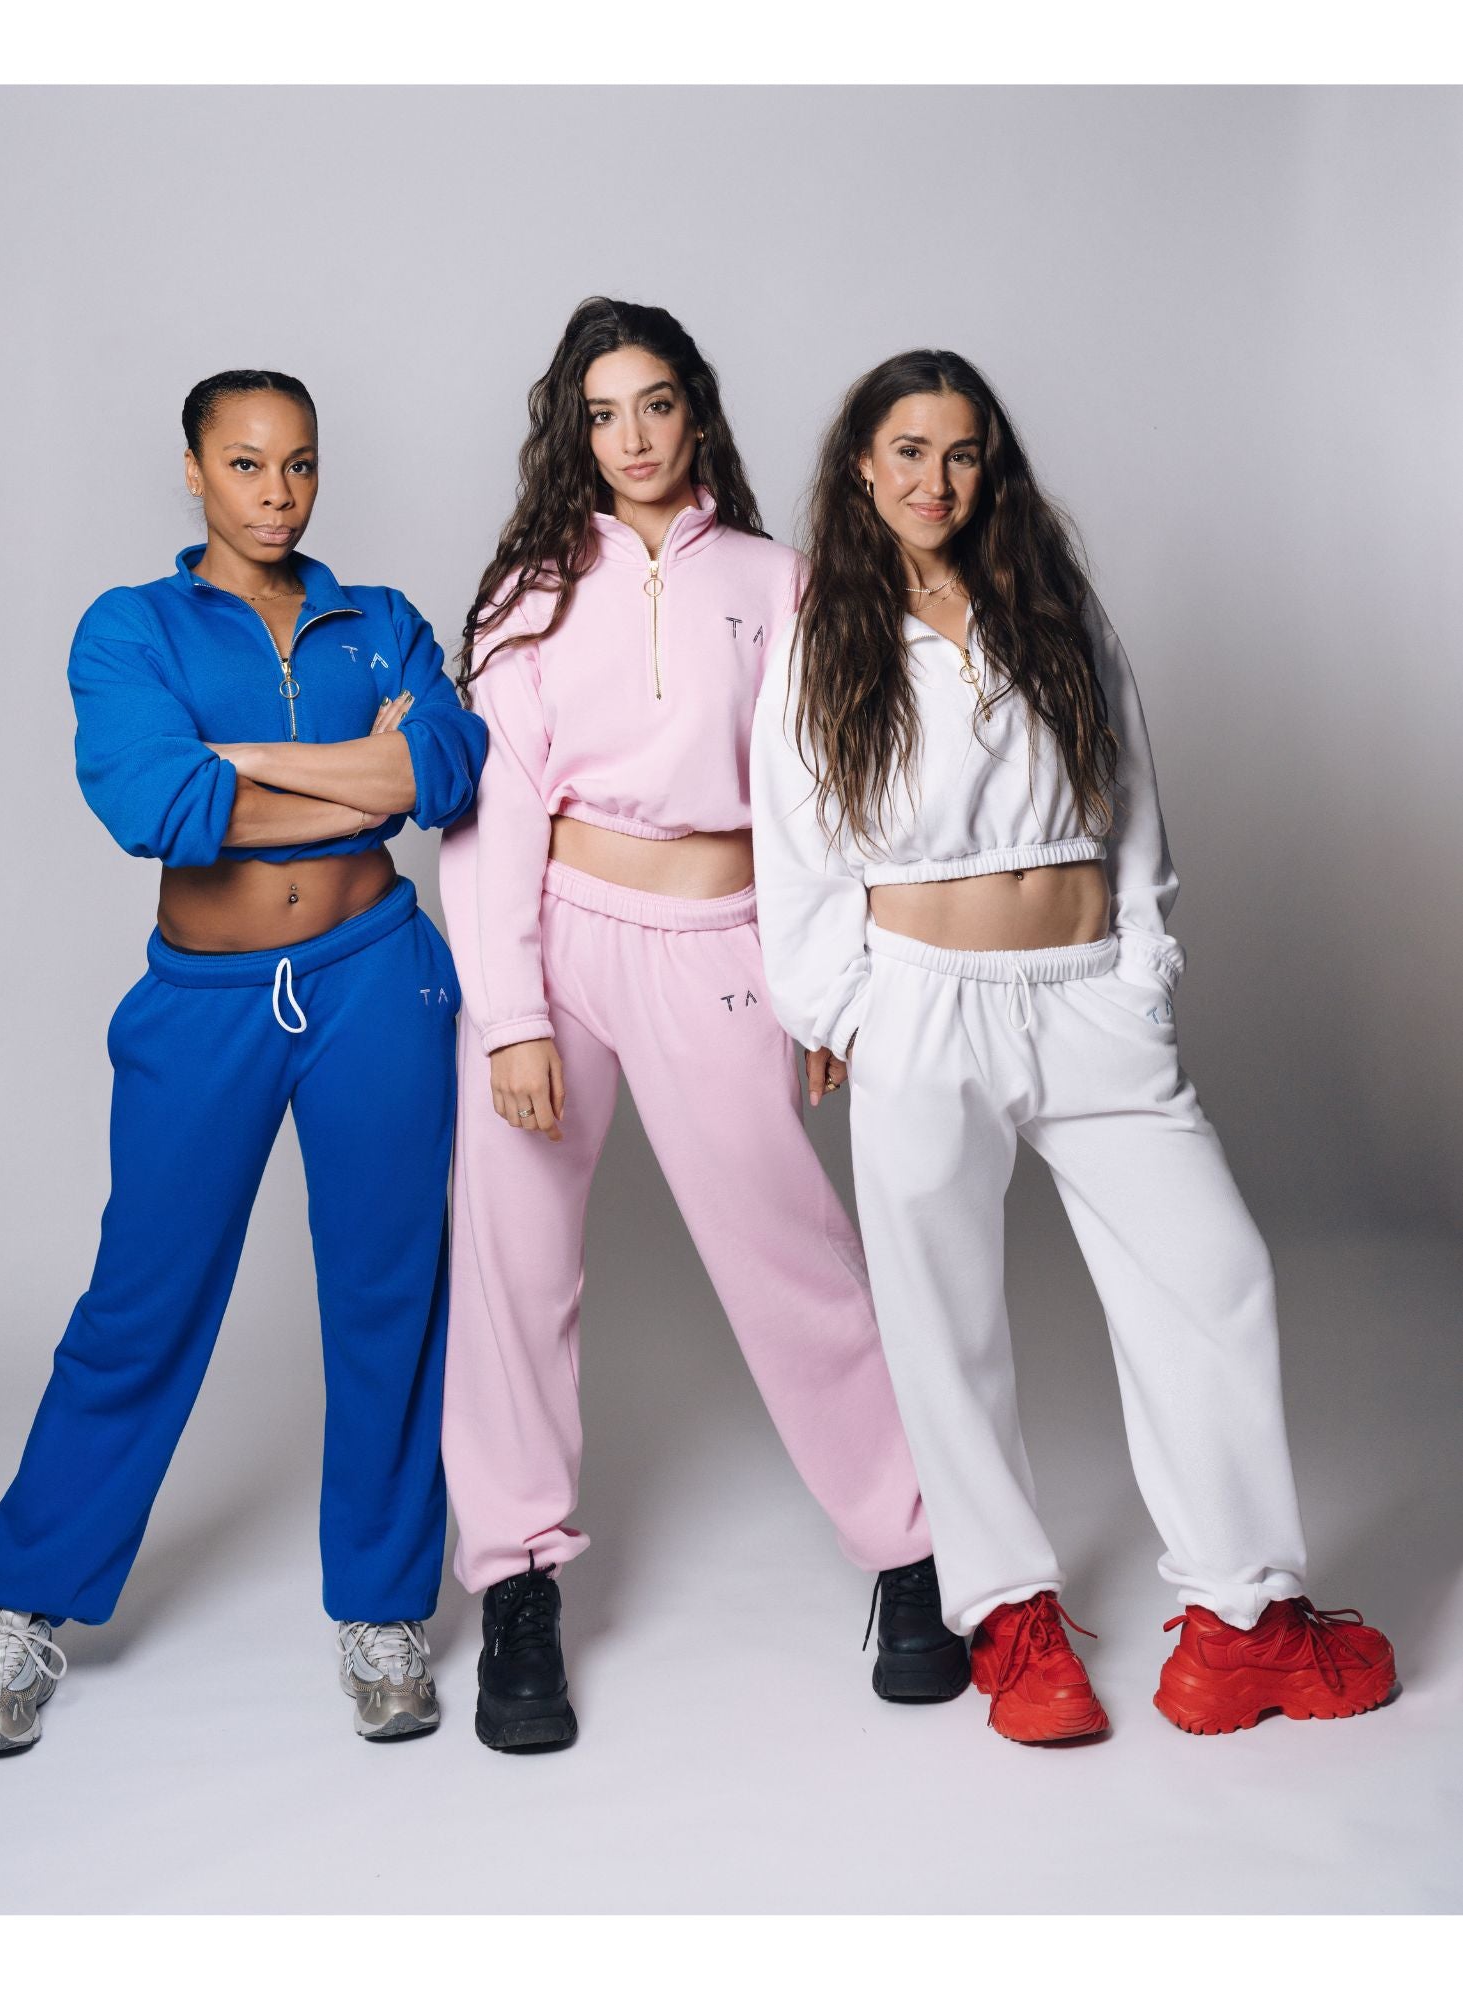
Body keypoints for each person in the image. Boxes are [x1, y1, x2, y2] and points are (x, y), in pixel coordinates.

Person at [750, 348, 1397, 1744]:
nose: (935, 479)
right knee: (945, 1322)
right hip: (923, 1004)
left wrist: (1141, 973)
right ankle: (1011, 1616)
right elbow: (792, 854)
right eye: (908, 450)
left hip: (1088, 994)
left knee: (1213, 1274)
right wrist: (848, 1014)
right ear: (862, 465)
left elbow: (1134, 797)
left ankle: (1240, 1623)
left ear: (990, 467)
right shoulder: (823, 640)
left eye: (961, 451)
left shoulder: (1049, 604)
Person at [438, 298, 956, 1753]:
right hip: (560, 946)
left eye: (655, 404)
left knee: (792, 1255)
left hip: (725, 948)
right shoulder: (528, 593)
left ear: (696, 410)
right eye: (602, 414)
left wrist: (823, 980)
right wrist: (510, 1018)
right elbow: (495, 815)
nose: (632, 438)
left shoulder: (778, 582)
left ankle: (910, 1550)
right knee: (511, 1264)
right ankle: (518, 1581)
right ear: (573, 430)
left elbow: (827, 794)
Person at [0, 370, 487, 1755]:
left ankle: (384, 1608)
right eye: (246, 465)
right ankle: (24, 1603)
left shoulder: (381, 620)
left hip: (377, 982)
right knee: (143, 1298)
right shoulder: (129, 626)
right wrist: (351, 776)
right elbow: (161, 802)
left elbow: (447, 770)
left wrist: (256, 763)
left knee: (389, 1297)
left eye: (299, 464)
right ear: (193, 471)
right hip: (206, 1004)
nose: (277, 493)